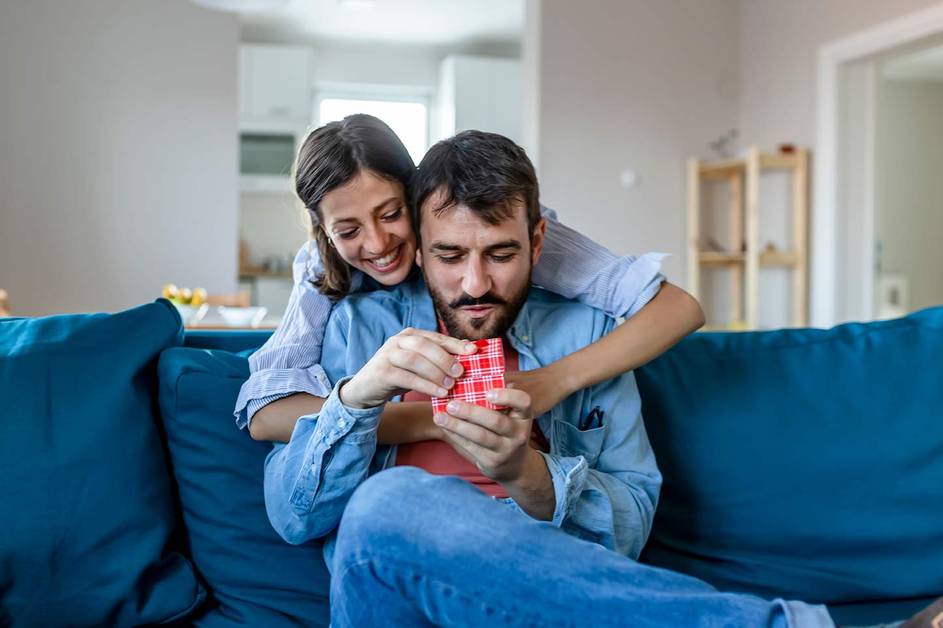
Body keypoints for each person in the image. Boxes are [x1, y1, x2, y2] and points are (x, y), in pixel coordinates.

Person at [264, 130, 846, 627]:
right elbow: (294, 518)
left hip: (549, 600)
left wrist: (527, 474)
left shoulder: (589, 335)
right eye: (448, 255)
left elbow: (629, 530)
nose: (474, 284)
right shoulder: (356, 328)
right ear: (417, 246)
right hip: (397, 605)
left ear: (538, 242)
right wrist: (357, 399)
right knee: (385, 505)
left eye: (500, 253)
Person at [233, 113, 705, 446]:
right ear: (324, 231)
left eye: (392, 214)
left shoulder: (502, 232)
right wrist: (436, 419)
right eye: (349, 230)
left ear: (418, 199)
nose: (376, 244)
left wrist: (553, 381)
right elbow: (267, 413)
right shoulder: (321, 265)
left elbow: (678, 307)